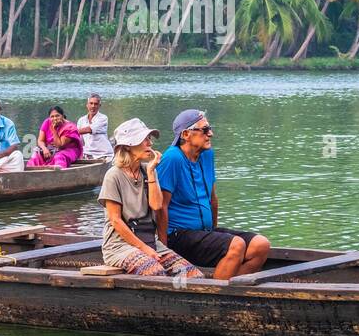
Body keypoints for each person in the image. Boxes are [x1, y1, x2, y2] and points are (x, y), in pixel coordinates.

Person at [156, 108, 270, 280]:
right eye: (205, 130)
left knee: (260, 245)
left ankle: (229, 290)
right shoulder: (172, 158)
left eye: (209, 128)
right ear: (186, 134)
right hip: (177, 236)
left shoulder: (207, 155)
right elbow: (161, 206)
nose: (211, 134)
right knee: (236, 245)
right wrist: (164, 247)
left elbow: (212, 198)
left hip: (203, 232)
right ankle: (215, 296)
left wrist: (214, 232)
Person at [99, 118, 202, 280]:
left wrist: (152, 171)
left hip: (149, 241)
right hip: (119, 247)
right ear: (128, 146)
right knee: (155, 273)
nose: (150, 143)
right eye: (144, 139)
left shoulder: (147, 170)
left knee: (193, 276)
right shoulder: (113, 175)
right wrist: (145, 250)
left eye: (149, 139)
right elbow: (115, 220)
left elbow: (157, 205)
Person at [78, 94, 113, 160]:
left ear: (99, 106)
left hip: (104, 154)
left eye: (96, 104)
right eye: (91, 103)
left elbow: (89, 129)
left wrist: (70, 132)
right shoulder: (81, 120)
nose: (93, 106)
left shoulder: (103, 118)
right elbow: (80, 141)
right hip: (88, 153)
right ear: (87, 105)